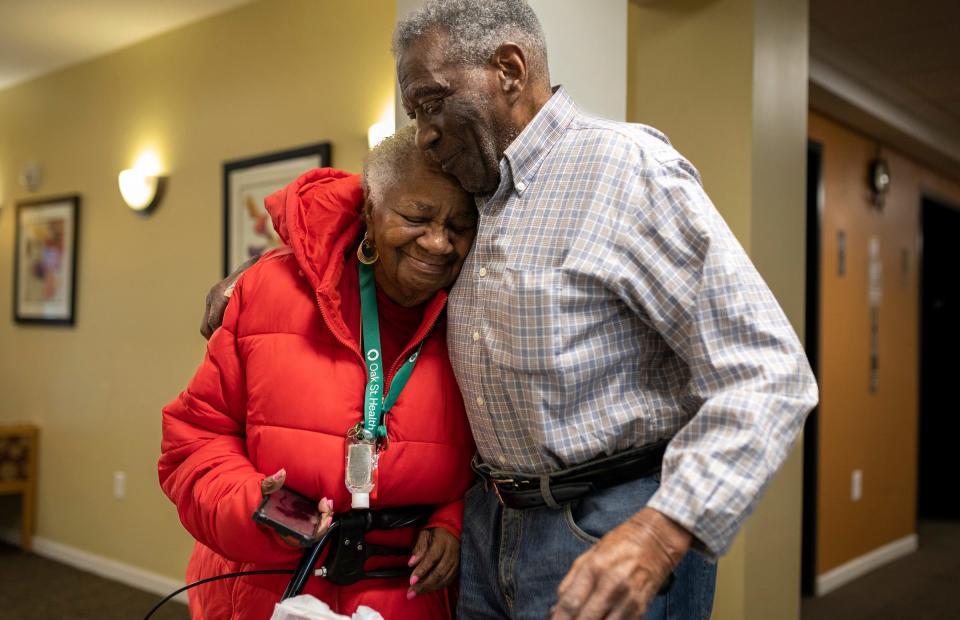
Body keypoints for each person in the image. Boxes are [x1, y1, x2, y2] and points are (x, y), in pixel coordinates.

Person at [203, 1, 819, 618]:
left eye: (431, 102)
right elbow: (381, 201)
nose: (424, 133)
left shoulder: (626, 171)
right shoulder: (474, 193)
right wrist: (270, 269)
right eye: (415, 113)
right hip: (485, 531)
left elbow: (769, 373)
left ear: (509, 68)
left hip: (604, 526)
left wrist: (662, 532)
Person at [160, 125, 478, 619]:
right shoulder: (269, 289)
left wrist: (455, 520)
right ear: (369, 210)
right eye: (417, 217)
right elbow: (194, 442)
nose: (438, 243)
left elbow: (499, 456)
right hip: (264, 596)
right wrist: (255, 507)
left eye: (459, 227)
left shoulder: (478, 313)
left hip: (407, 601)